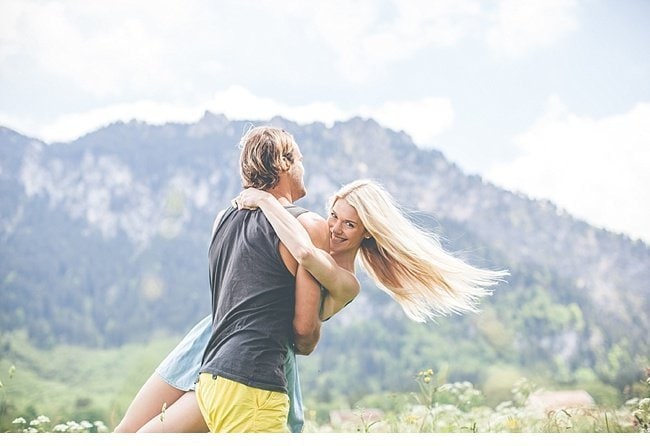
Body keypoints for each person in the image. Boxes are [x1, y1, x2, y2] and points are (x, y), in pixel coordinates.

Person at [115, 176, 507, 433]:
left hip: (245, 357)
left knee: (149, 438)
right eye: (334, 216)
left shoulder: (345, 283)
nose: (335, 228)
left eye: (349, 225)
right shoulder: (308, 229)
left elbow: (304, 255)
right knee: (121, 435)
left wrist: (265, 201)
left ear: (367, 234)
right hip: (210, 334)